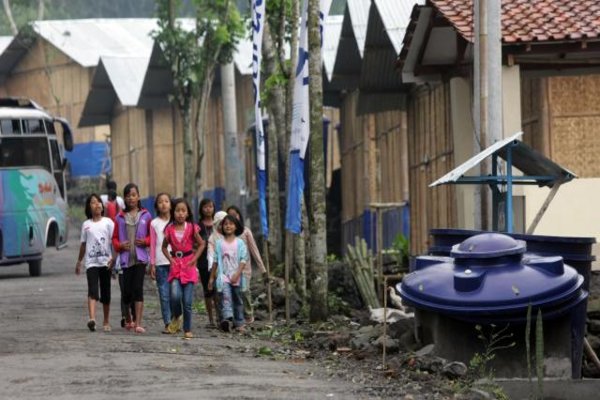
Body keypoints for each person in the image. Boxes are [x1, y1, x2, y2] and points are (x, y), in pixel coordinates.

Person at [112, 183, 152, 334]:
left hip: (140, 259)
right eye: (128, 195)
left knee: (138, 290)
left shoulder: (146, 215)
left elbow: (151, 236)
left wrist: (146, 241)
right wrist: (120, 245)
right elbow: (114, 239)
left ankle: (138, 323)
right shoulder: (119, 218)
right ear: (125, 198)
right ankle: (128, 317)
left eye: (133, 195)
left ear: (138, 197)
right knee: (126, 293)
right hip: (125, 260)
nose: (131, 198)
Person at [162, 198, 205, 339]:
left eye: (183, 210)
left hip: (189, 267)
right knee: (174, 296)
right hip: (175, 268)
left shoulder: (192, 227)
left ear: (187, 213)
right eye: (177, 210)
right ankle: (177, 315)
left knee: (187, 301)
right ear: (173, 212)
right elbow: (163, 247)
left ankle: (187, 329)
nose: (180, 213)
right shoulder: (169, 230)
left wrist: (194, 259)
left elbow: (202, 244)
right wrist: (170, 259)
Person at [75, 193, 115, 332]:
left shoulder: (108, 222)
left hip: (106, 262)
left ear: (102, 206)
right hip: (91, 263)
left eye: (99, 202)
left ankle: (106, 321)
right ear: (89, 207)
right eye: (93, 202)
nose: (97, 204)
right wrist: (79, 261)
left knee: (106, 292)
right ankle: (92, 319)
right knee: (93, 290)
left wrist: (114, 259)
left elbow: (114, 242)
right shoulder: (86, 225)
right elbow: (83, 245)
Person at [226, 205, 267, 324]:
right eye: (230, 215)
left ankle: (249, 314)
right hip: (230, 269)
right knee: (234, 293)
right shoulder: (226, 233)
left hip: (245, 269)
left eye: (235, 215)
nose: (233, 217)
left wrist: (263, 269)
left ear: (239, 216)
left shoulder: (245, 231)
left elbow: (254, 250)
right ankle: (237, 317)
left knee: (244, 291)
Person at [208, 215, 248, 333]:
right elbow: (215, 261)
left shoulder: (240, 243)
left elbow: (243, 260)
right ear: (221, 227)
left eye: (231, 224)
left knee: (237, 299)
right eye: (225, 224)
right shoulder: (219, 243)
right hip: (224, 277)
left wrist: (237, 274)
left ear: (236, 226)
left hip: (237, 277)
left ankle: (239, 323)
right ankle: (226, 319)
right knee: (226, 297)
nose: (228, 226)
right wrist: (211, 278)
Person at [149, 193, 173, 334]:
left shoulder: (177, 221)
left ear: (170, 204)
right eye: (160, 202)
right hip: (160, 263)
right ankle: (168, 323)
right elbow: (152, 245)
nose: (163, 204)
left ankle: (177, 318)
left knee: (175, 294)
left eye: (166, 201)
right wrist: (152, 264)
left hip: (176, 262)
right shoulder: (154, 223)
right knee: (164, 294)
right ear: (157, 206)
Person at [197, 198, 217, 328]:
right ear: (201, 209)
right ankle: (211, 319)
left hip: (218, 262)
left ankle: (221, 316)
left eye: (210, 206)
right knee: (208, 290)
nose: (208, 209)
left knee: (218, 289)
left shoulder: (219, 223)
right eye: (205, 207)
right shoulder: (198, 226)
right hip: (203, 262)